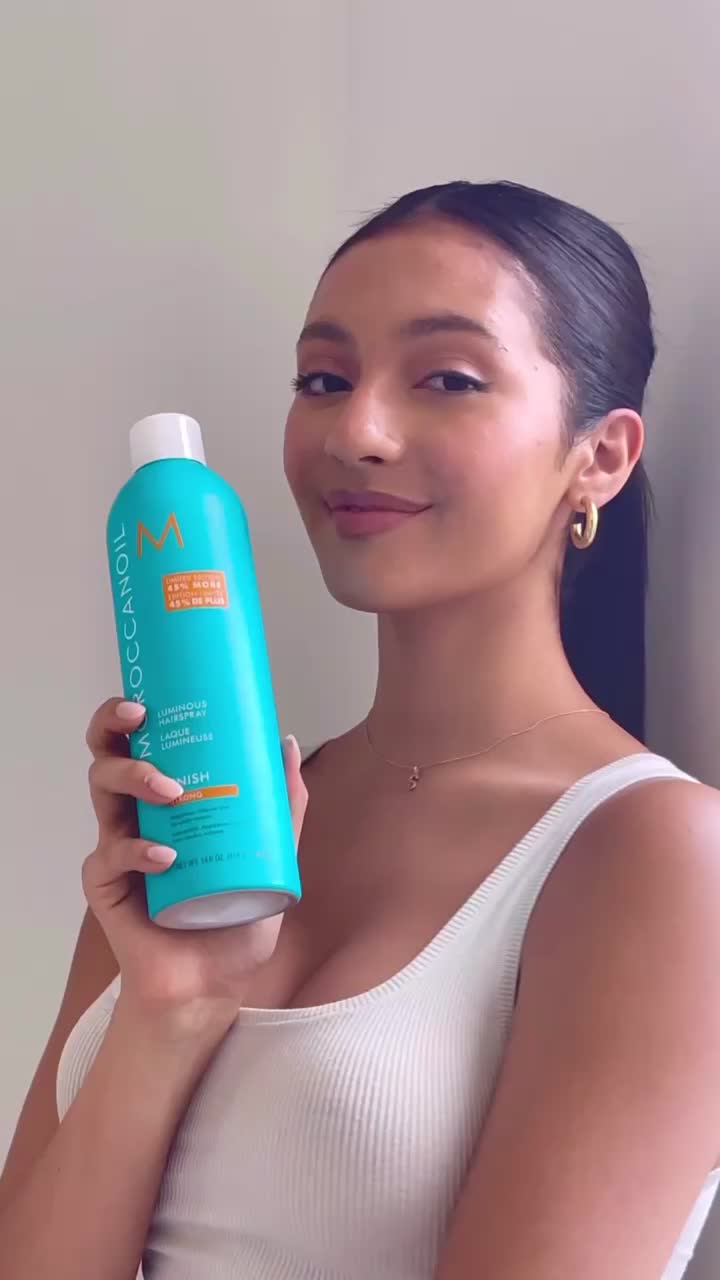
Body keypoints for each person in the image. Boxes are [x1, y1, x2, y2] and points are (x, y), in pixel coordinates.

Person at [1, 180, 720, 1280]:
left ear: (603, 456)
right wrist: (171, 1008)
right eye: (324, 380)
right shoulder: (205, 813)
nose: (358, 431)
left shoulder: (657, 854)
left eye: (448, 378)